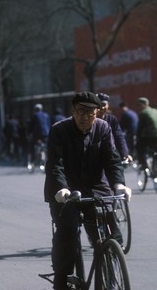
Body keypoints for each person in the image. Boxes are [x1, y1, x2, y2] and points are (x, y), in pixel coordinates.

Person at [44, 91, 131, 290]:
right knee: (68, 232)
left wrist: (118, 183)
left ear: (98, 112)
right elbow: (55, 164)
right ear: (73, 111)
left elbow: (112, 159)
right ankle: (61, 280)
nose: (85, 117)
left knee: (110, 230)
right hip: (65, 190)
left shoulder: (103, 128)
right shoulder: (59, 130)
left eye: (90, 112)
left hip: (95, 187)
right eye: (80, 111)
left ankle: (109, 269)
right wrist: (62, 188)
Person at [135, 97, 157, 171]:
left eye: (139, 105)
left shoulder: (143, 113)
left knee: (139, 147)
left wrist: (138, 138)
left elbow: (140, 127)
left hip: (151, 136)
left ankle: (143, 164)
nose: (138, 107)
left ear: (143, 105)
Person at [96, 93, 131, 163]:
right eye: (99, 105)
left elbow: (119, 136)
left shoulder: (112, 119)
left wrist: (125, 153)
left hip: (110, 153)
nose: (102, 108)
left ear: (108, 105)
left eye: (104, 105)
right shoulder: (91, 120)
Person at [27, 103, 51, 169]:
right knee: (46, 147)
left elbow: (30, 126)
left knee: (32, 145)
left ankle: (32, 161)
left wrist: (28, 134)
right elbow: (48, 125)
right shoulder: (47, 115)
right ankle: (46, 160)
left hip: (37, 134)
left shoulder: (34, 115)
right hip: (46, 133)